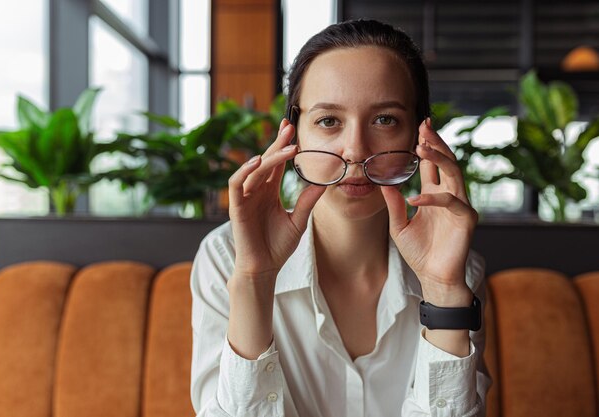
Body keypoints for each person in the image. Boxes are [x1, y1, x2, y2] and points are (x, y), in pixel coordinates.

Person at [190, 19, 490, 417]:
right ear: (294, 137)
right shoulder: (227, 256)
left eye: (385, 120)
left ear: (419, 137)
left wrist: (443, 291)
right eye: (328, 121)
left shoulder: (455, 269)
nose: (355, 150)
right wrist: (254, 281)